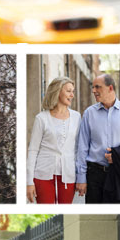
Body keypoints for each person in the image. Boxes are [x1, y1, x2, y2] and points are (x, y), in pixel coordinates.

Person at [75, 73, 120, 203]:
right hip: (94, 174)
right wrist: (81, 178)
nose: (93, 91)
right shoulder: (89, 113)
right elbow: (82, 146)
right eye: (93, 87)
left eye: (98, 87)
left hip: (119, 173)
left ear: (110, 88)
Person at [27, 76, 81, 204]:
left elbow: (79, 149)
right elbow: (33, 150)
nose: (72, 95)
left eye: (73, 91)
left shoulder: (77, 117)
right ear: (57, 91)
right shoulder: (42, 118)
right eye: (68, 91)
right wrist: (29, 182)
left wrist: (82, 177)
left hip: (68, 173)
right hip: (43, 173)